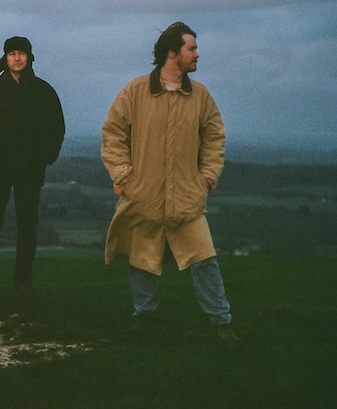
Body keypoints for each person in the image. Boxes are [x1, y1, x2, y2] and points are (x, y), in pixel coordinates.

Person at [101, 22, 239, 343]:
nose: (197, 54)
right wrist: (123, 175)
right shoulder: (136, 91)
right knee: (142, 259)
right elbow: (113, 133)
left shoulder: (200, 96)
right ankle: (144, 318)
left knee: (204, 259)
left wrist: (208, 175)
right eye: (192, 49)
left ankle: (222, 323)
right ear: (173, 53)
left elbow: (214, 137)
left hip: (188, 198)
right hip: (144, 195)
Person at [0, 36, 65, 291]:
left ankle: (23, 281)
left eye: (21, 53)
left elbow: (56, 128)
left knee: (27, 225)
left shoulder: (43, 92)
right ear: (5, 57)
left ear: (30, 57)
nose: (17, 58)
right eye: (12, 54)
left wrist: (45, 158)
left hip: (30, 169)